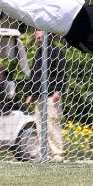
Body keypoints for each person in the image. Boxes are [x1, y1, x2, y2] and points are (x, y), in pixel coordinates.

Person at [25, 29, 66, 162]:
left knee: (52, 124)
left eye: (40, 37)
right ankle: (45, 154)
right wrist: (30, 93)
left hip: (51, 95)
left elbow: (61, 74)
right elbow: (34, 75)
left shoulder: (57, 52)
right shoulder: (39, 53)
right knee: (39, 125)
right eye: (37, 37)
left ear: (47, 37)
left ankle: (57, 154)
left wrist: (58, 91)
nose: (37, 39)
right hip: (39, 96)